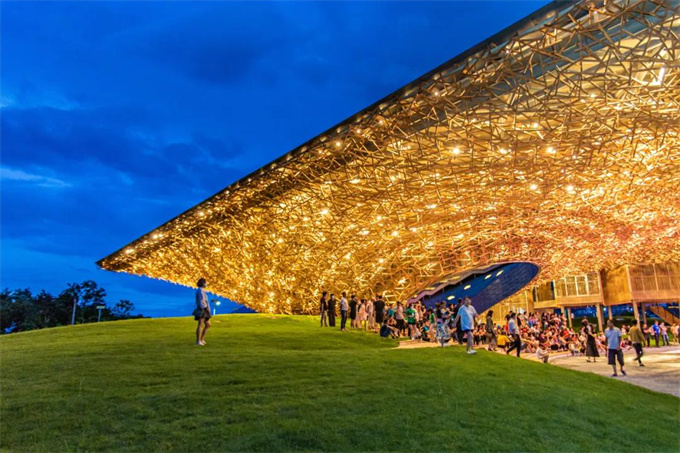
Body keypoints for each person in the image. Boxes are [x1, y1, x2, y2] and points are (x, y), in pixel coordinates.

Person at [193, 278, 211, 346]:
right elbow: (201, 301)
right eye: (205, 282)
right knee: (200, 325)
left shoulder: (202, 291)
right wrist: (204, 308)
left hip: (204, 309)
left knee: (208, 324)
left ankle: (201, 339)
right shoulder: (200, 291)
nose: (206, 284)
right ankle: (198, 341)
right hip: (202, 309)